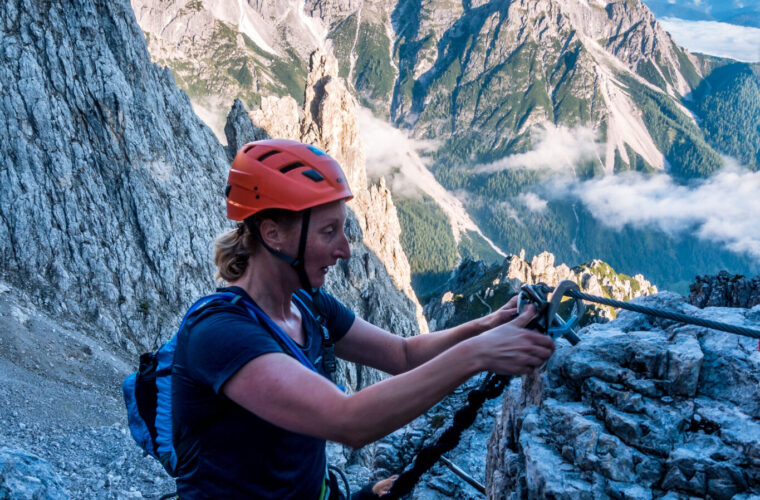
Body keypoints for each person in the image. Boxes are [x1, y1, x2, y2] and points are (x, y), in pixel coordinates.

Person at [170, 139, 555, 499]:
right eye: (329, 232)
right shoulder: (221, 334)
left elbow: (402, 354)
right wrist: (477, 355)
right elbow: (348, 422)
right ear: (273, 235)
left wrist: (485, 326)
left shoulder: (309, 305)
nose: (345, 250)